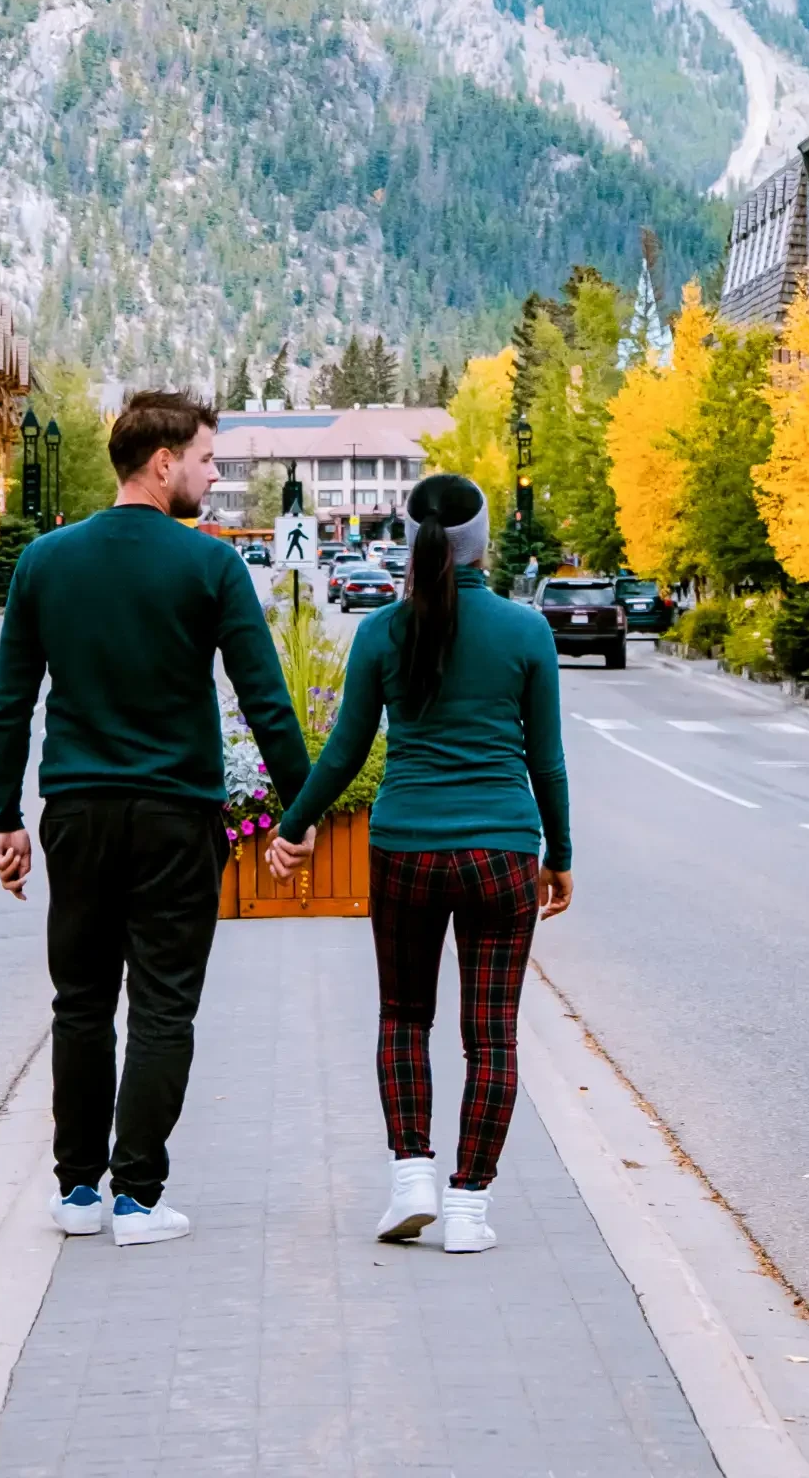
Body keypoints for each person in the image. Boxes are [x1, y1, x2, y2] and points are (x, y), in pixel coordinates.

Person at [0, 390, 308, 1249]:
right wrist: (299, 810)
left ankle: (78, 1192)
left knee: (81, 1002)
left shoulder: (46, 563)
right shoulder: (209, 568)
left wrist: (2, 818)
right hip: (176, 815)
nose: (212, 473)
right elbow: (266, 701)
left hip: (77, 812)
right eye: (207, 459)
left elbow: (11, 704)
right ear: (162, 464)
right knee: (165, 1004)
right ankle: (138, 1197)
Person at [266, 471, 570, 1257]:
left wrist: (293, 827)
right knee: (491, 1036)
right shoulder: (527, 632)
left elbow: (343, 752)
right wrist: (559, 855)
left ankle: (412, 1178)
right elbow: (549, 762)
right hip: (503, 853)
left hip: (404, 850)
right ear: (482, 542)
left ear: (409, 542)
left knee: (404, 1017)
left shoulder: (380, 634)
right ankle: (469, 1205)